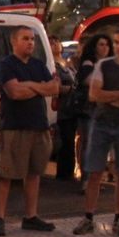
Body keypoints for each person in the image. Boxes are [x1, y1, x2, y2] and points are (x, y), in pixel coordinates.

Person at [74, 27, 119, 237]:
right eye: (116, 42)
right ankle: (88, 217)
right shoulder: (103, 66)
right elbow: (94, 94)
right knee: (94, 171)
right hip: (102, 123)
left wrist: (110, 96)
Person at [0, 25, 59, 234]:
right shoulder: (6, 65)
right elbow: (14, 92)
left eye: (32, 39)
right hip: (14, 126)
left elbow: (54, 88)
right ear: (14, 41)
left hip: (38, 125)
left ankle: (30, 216)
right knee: (6, 173)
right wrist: (38, 87)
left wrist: (29, 85)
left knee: (34, 172)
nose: (30, 42)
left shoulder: (38, 64)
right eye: (26, 38)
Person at [71, 33, 111, 182]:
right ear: (94, 47)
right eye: (101, 44)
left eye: (107, 44)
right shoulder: (89, 63)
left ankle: (96, 179)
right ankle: (86, 180)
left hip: (105, 109)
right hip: (89, 110)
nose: (105, 48)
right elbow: (88, 81)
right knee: (89, 143)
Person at [49, 36, 78, 181]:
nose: (54, 44)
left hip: (73, 108)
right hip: (62, 109)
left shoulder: (67, 63)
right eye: (51, 42)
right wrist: (75, 89)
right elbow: (58, 88)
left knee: (70, 140)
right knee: (65, 141)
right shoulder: (53, 65)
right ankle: (64, 174)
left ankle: (69, 172)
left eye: (56, 41)